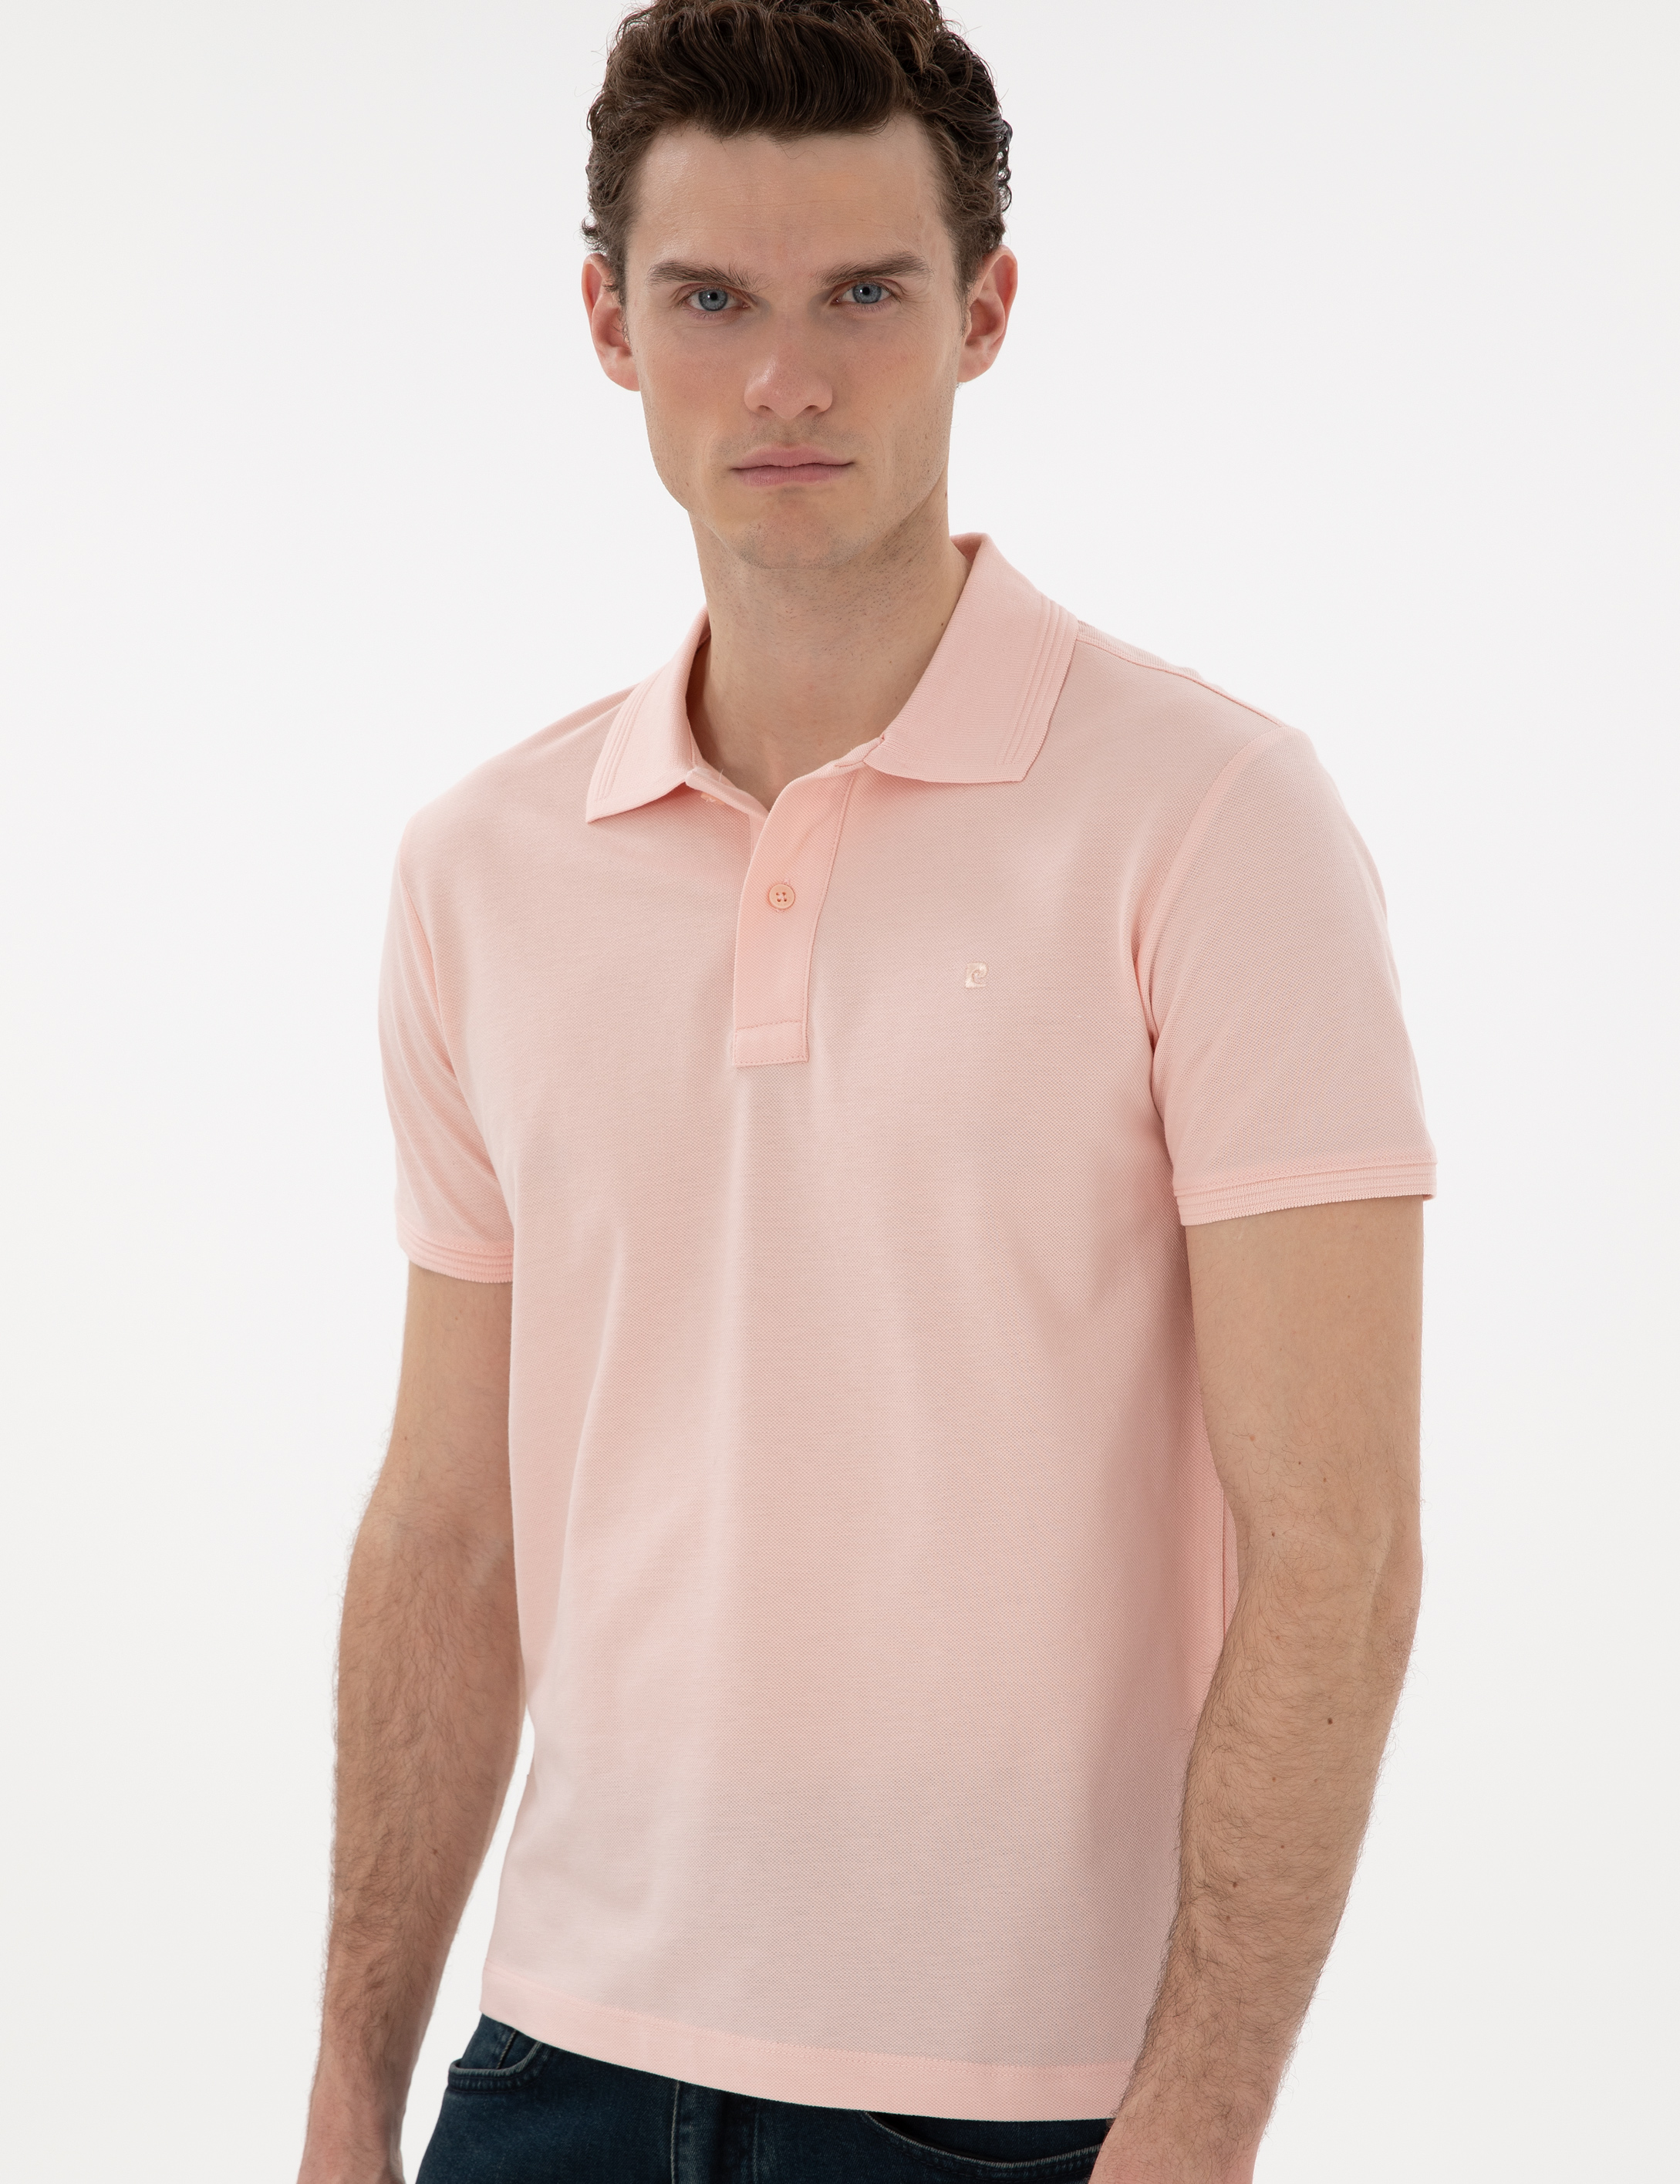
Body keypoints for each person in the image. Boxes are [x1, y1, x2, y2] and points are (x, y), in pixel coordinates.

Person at [295, 3, 1436, 2179]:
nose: (787, 381)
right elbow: (448, 1528)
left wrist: (1190, 2135)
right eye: (712, 301)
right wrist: (353, 2094)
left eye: (863, 296)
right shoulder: (482, 865)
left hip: (1013, 2115)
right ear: (610, 327)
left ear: (982, 314)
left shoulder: (1211, 823)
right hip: (548, 2075)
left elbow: (1342, 1551)